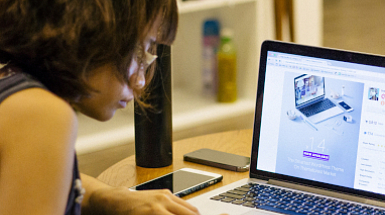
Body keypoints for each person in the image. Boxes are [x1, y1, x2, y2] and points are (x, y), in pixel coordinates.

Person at [0, 0, 200, 214]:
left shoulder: (14, 86)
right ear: (93, 30)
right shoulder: (43, 115)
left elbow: (32, 180)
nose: (140, 81)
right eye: (139, 52)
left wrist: (107, 197)